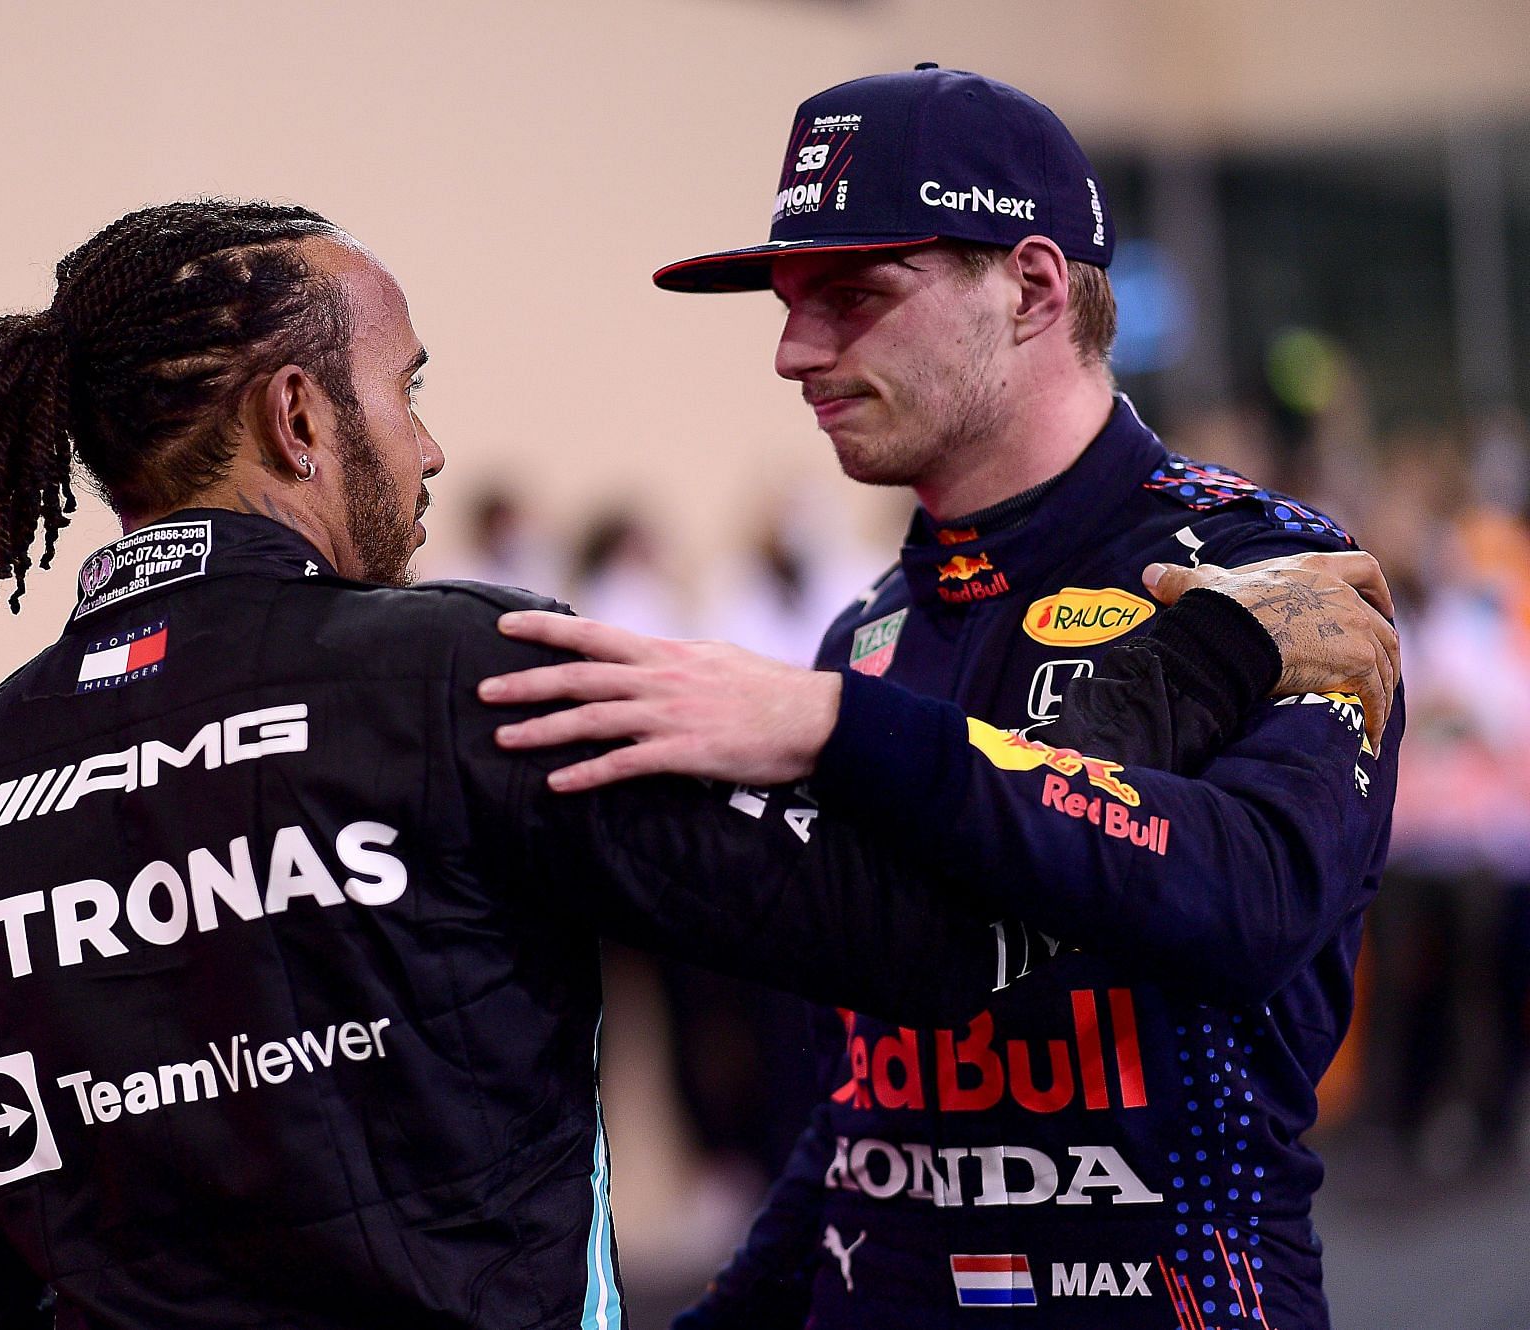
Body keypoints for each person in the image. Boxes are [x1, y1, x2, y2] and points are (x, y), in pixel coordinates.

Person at [0, 200, 1393, 1330]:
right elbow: (935, 941)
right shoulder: (462, 676)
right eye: (407, 387)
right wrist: (1204, 667)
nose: (431, 447)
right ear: (298, 416)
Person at [486, 68, 1402, 1330]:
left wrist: (831, 730)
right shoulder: (863, 634)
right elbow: (866, 1108)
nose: (793, 351)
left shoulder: (1273, 568)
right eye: (792, 303)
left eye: (854, 297)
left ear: (1031, 288)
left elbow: (1250, 901)